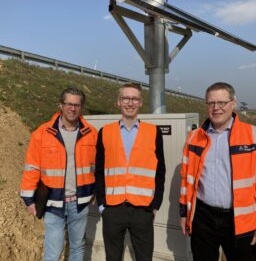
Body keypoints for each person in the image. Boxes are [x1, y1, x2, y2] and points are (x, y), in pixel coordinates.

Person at [179, 82, 256, 261]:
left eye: (221, 102)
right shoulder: (195, 138)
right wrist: (184, 214)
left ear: (233, 103)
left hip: (240, 220)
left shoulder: (255, 136)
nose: (216, 108)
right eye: (211, 103)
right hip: (202, 218)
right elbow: (186, 179)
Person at [20, 87, 97, 261]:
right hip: (53, 203)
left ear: (81, 107)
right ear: (60, 105)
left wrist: (95, 192)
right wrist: (28, 197)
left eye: (77, 105)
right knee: (53, 252)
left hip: (80, 203)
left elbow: (97, 167)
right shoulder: (42, 133)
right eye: (69, 104)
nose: (73, 108)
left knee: (78, 248)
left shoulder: (91, 134)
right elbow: (32, 167)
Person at [95, 83, 166, 261]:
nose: (130, 103)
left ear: (141, 103)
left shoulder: (154, 132)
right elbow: (99, 171)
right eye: (126, 98)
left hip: (142, 209)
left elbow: (160, 170)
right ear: (118, 102)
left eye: (134, 99)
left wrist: (155, 204)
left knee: (144, 257)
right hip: (113, 209)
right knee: (113, 257)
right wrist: (102, 205)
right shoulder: (105, 132)